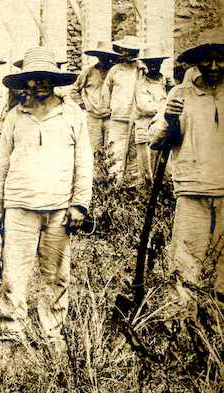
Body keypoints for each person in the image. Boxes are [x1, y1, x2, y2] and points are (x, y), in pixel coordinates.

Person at [0, 46, 92, 349]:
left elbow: (84, 162)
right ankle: (11, 331)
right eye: (33, 79)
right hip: (20, 207)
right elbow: (1, 163)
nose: (39, 84)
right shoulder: (14, 115)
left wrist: (79, 204)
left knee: (57, 275)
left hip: (60, 208)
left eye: (45, 77)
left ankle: (52, 332)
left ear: (54, 79)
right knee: (13, 272)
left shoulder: (73, 114)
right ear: (26, 83)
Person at [148, 28, 224, 323]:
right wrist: (169, 119)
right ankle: (178, 329)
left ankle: (216, 329)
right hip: (192, 190)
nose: (215, 67)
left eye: (221, 60)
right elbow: (155, 139)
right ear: (197, 63)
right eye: (208, 61)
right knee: (184, 264)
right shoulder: (179, 94)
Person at [101, 35, 145, 185]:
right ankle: (114, 185)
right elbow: (106, 91)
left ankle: (132, 186)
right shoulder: (115, 70)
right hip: (118, 119)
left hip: (137, 119)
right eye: (127, 51)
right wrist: (108, 110)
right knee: (115, 152)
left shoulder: (142, 70)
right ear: (122, 51)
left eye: (134, 51)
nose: (130, 54)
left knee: (134, 152)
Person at [69, 41, 119, 156]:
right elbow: (74, 89)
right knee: (95, 148)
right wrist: (82, 104)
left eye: (107, 57)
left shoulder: (115, 72)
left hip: (111, 116)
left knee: (111, 148)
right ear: (98, 57)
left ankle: (109, 174)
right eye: (101, 56)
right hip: (93, 116)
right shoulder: (89, 71)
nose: (104, 59)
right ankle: (96, 172)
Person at [134, 46, 175, 184]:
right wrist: (165, 107)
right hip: (144, 129)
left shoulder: (167, 82)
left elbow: (176, 103)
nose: (153, 66)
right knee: (146, 171)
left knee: (165, 168)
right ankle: (143, 200)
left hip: (163, 128)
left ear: (161, 64)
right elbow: (145, 106)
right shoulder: (140, 84)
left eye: (156, 63)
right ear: (145, 65)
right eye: (150, 63)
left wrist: (173, 89)